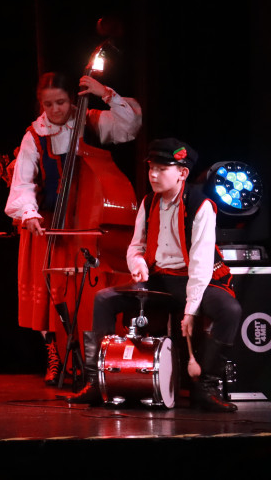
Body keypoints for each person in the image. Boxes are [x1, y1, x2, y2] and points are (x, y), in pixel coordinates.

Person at [68, 139, 241, 412]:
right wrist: (137, 263)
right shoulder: (149, 202)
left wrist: (191, 310)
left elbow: (201, 263)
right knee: (104, 299)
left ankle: (204, 386)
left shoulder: (201, 205)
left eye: (162, 169)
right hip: (160, 278)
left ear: (182, 173)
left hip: (195, 280)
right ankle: (95, 381)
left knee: (229, 310)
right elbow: (136, 245)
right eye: (151, 169)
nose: (154, 175)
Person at [4, 72, 142, 385]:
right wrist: (29, 213)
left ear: (71, 98)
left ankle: (97, 357)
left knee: (92, 291)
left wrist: (105, 92)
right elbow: (23, 181)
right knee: (50, 293)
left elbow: (129, 126)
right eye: (48, 104)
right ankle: (56, 353)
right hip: (52, 223)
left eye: (61, 102)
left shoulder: (90, 121)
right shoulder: (34, 136)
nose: (54, 110)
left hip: (90, 224)